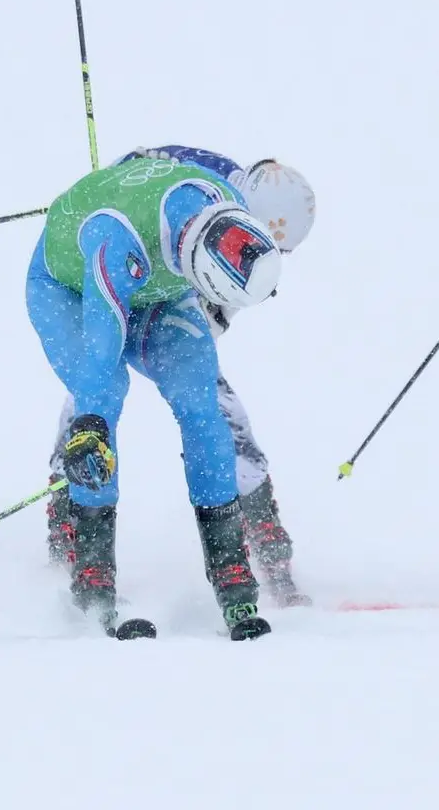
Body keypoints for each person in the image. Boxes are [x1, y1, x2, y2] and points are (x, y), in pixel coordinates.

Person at [42, 145, 317, 608]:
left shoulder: (239, 232)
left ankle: (267, 547)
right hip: (126, 270)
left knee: (213, 407)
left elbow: (216, 313)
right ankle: (67, 516)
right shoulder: (208, 184)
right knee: (94, 383)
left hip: (172, 302)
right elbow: (137, 170)